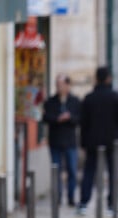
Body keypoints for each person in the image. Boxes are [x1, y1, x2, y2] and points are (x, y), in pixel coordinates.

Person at [78, 65, 118, 215]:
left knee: (89, 172)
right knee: (112, 172)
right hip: (111, 140)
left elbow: (83, 122)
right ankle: (111, 204)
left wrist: (83, 142)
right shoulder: (115, 97)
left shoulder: (89, 98)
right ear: (108, 79)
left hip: (92, 141)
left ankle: (84, 202)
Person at [42, 74, 81, 206]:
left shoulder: (75, 101)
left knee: (72, 170)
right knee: (56, 170)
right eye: (57, 85)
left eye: (61, 85)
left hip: (70, 141)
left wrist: (69, 118)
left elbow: (80, 118)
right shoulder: (51, 102)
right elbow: (46, 118)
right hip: (55, 141)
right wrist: (57, 119)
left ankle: (71, 197)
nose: (59, 87)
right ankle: (57, 197)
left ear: (68, 85)